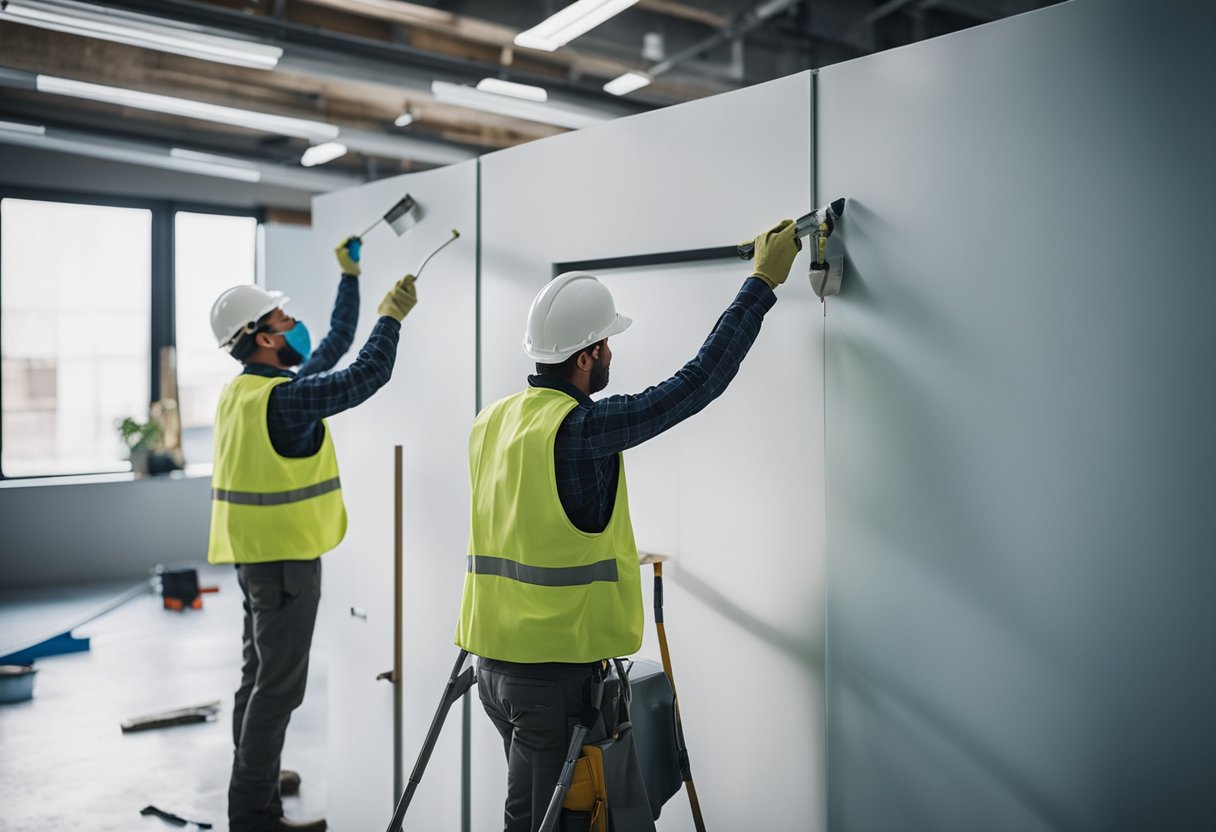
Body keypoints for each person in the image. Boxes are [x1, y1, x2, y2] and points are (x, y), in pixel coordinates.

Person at [456, 219, 803, 831]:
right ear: (587, 355)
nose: (613, 353)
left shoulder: (493, 420)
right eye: (608, 344)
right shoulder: (578, 429)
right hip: (551, 677)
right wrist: (761, 283)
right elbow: (697, 383)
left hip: (491, 666)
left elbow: (532, 519)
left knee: (547, 812)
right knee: (548, 821)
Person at [207, 236, 419, 832]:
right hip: (284, 566)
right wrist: (391, 316)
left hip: (254, 558)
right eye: (283, 317)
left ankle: (256, 776)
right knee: (278, 689)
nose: (293, 321)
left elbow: (329, 349)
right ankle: (253, 814)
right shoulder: (286, 402)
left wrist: (349, 278)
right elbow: (366, 374)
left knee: (258, 679)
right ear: (266, 338)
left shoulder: (247, 391)